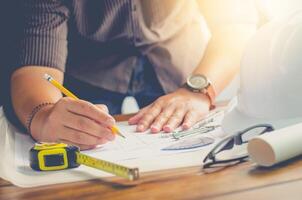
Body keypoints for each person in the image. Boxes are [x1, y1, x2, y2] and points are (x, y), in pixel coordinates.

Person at [6, 1, 265, 150]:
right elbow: (35, 60)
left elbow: (236, 24)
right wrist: (43, 117)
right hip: (87, 68)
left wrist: (198, 89)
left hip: (182, 63)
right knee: (84, 133)